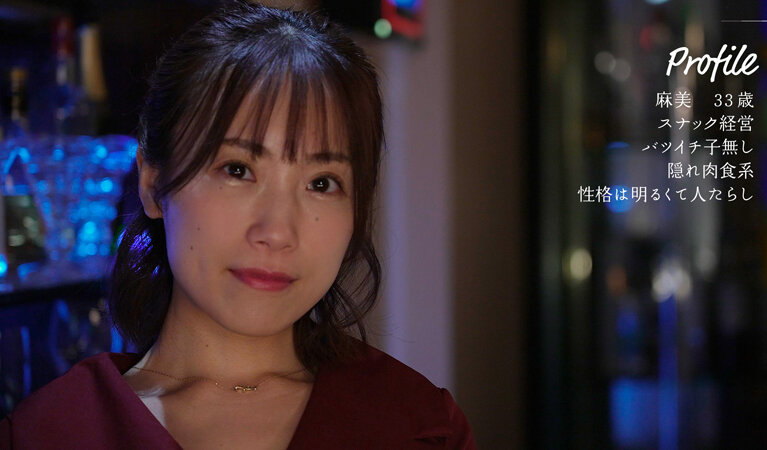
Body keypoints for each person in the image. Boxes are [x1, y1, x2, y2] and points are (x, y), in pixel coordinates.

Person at [0, 1, 476, 449]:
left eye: (322, 183)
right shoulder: (52, 433)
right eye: (237, 169)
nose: (278, 232)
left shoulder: (418, 425)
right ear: (153, 184)